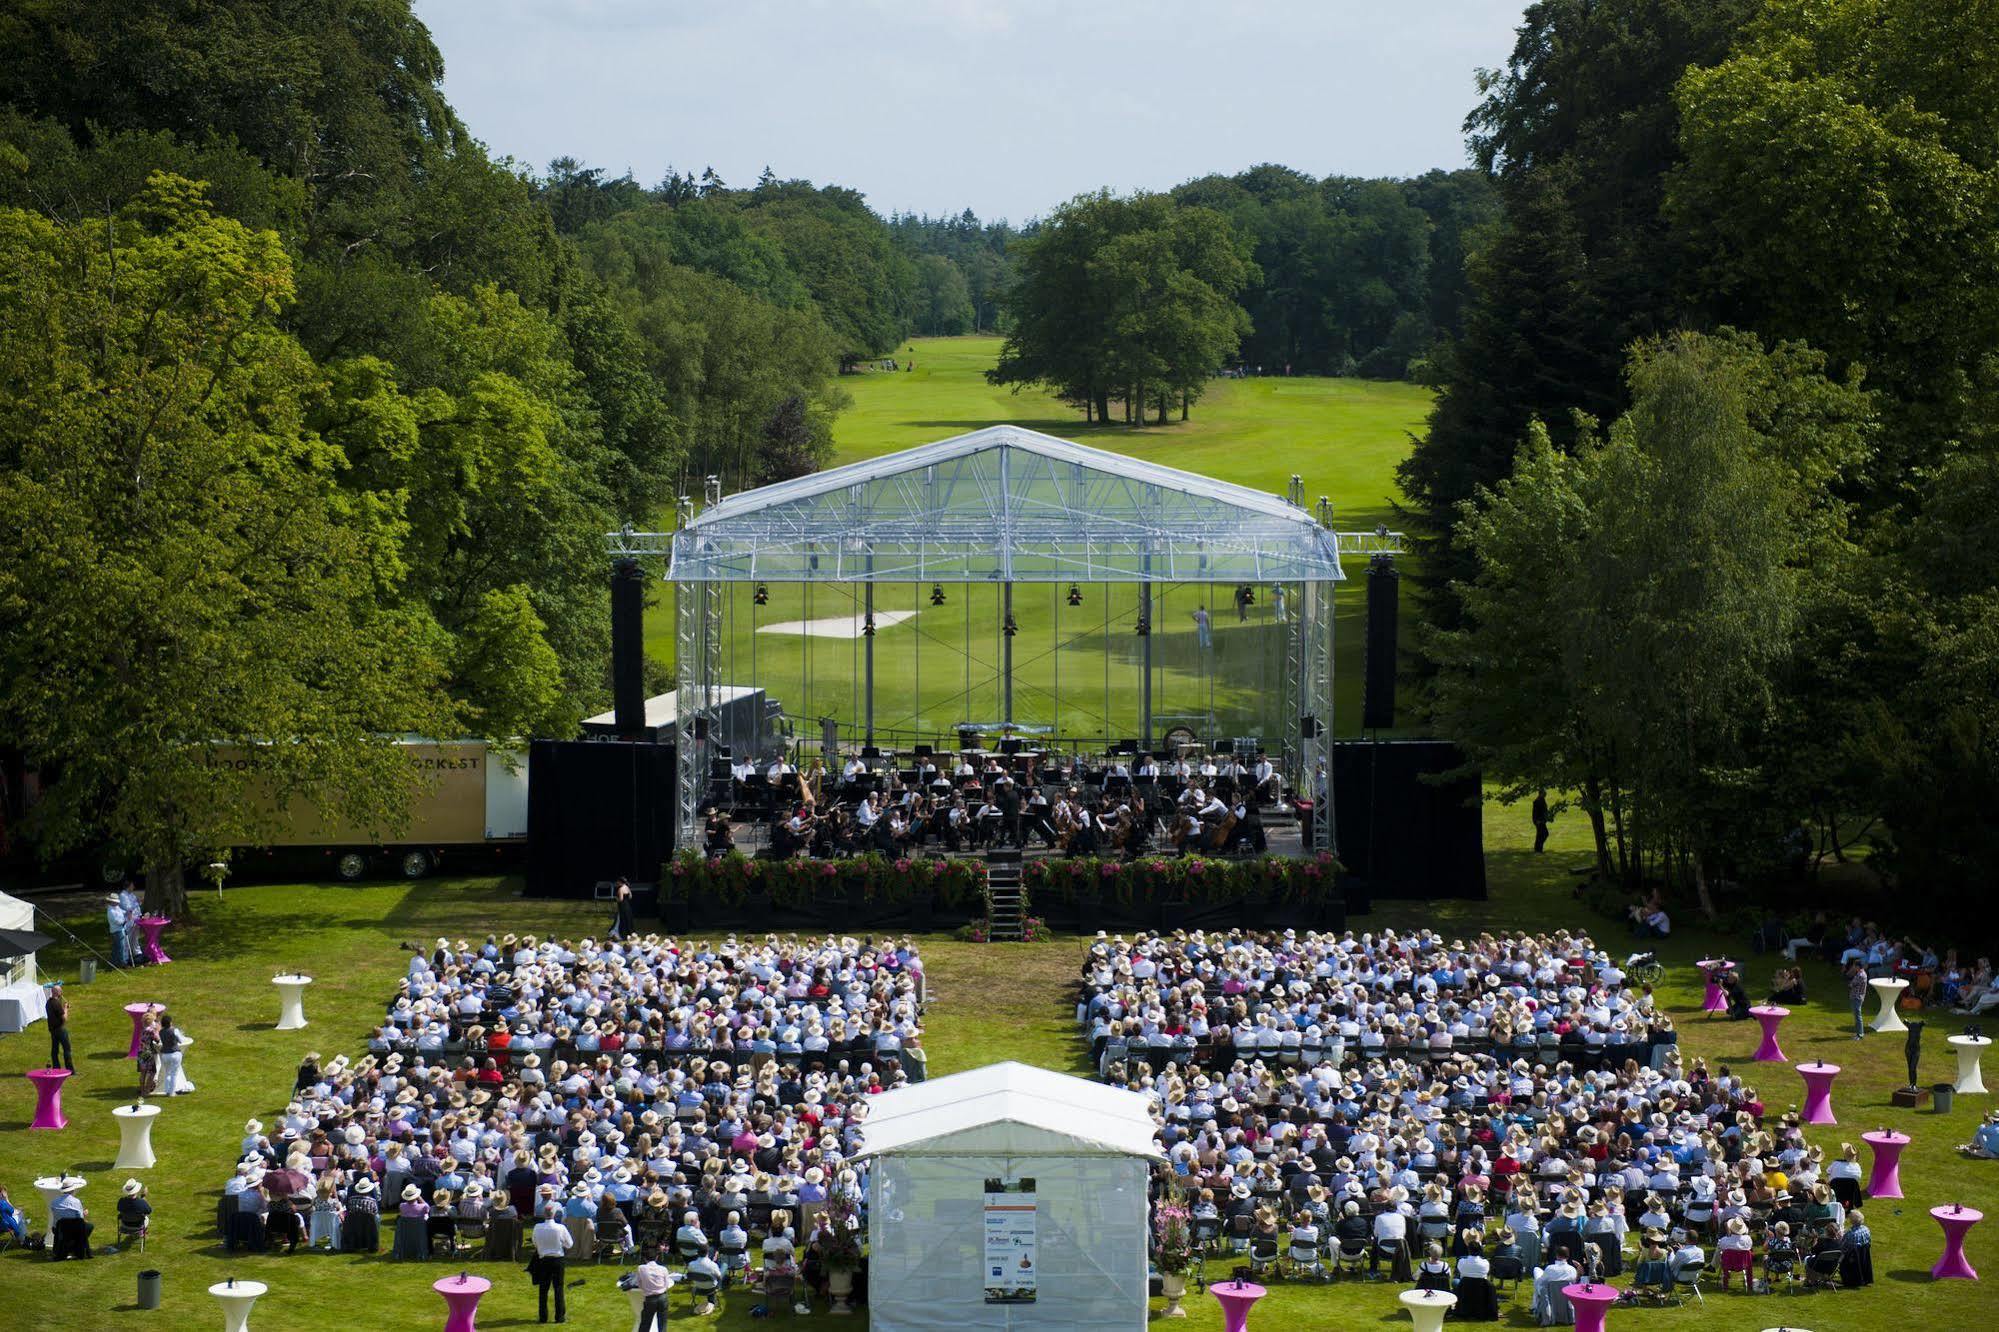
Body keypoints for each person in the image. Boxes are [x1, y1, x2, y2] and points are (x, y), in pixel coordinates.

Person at [531, 1203, 574, 1323]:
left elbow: (535, 1242)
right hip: (557, 1259)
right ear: (554, 1214)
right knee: (558, 1288)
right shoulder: (560, 1228)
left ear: (544, 1214)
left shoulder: (537, 1227)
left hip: (544, 1259)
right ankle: (560, 1317)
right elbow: (569, 1244)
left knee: (543, 1289)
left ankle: (543, 1317)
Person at [631, 1248, 676, 1330]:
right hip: (662, 1298)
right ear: (657, 1257)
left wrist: (646, 1289)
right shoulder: (663, 1269)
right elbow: (666, 1285)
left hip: (650, 1299)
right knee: (662, 1324)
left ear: (644, 1258)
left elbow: (639, 1283)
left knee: (645, 1323)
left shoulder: (641, 1268)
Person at [45, 979, 74, 1072]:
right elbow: (64, 1018)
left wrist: (62, 1007)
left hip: (52, 1029)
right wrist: (66, 1008)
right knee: (67, 1049)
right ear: (58, 992)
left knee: (55, 1050)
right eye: (61, 991)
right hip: (60, 1029)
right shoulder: (56, 1004)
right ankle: (70, 1070)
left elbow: (56, 1012)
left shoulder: (48, 1003)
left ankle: (56, 1068)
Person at [1846, 961, 1869, 1040]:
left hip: (1857, 997)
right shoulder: (1862, 973)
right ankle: (1858, 1033)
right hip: (1857, 997)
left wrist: (1850, 983)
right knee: (1857, 1016)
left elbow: (1852, 984)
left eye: (1854, 966)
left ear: (1858, 966)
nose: (1853, 967)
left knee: (1858, 1017)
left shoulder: (1860, 975)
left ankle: (1860, 1034)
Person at [106, 893, 130, 968]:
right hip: (116, 931)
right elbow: (118, 922)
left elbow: (122, 911)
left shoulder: (116, 907)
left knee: (116, 947)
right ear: (111, 902)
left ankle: (113, 962)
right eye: (115, 901)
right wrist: (126, 920)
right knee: (120, 947)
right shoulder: (111, 911)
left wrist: (127, 912)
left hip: (120, 930)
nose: (117, 903)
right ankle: (122, 963)